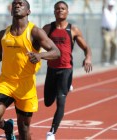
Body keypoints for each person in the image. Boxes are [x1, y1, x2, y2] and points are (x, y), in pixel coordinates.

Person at [0, 0, 60, 140]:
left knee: (24, 129)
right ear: (11, 11)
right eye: (15, 4)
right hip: (6, 82)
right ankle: (7, 127)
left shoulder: (35, 32)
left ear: (28, 11)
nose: (17, 5)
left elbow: (56, 52)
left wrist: (40, 55)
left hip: (26, 85)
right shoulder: (3, 34)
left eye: (21, 4)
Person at [42, 1, 92, 139]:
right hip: (51, 69)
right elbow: (35, 43)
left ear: (67, 11)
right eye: (57, 9)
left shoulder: (73, 29)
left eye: (63, 8)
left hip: (66, 70)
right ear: (54, 11)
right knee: (47, 102)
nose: (60, 10)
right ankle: (65, 86)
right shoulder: (47, 28)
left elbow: (87, 48)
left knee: (61, 101)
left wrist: (87, 58)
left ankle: (51, 132)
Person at [101, 0, 117, 66]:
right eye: (110, 5)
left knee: (115, 45)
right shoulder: (105, 11)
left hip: (113, 31)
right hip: (106, 31)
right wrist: (104, 2)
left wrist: (116, 31)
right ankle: (104, 60)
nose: (111, 7)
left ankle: (112, 59)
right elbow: (103, 7)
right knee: (106, 45)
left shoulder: (114, 12)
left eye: (112, 6)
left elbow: (115, 22)